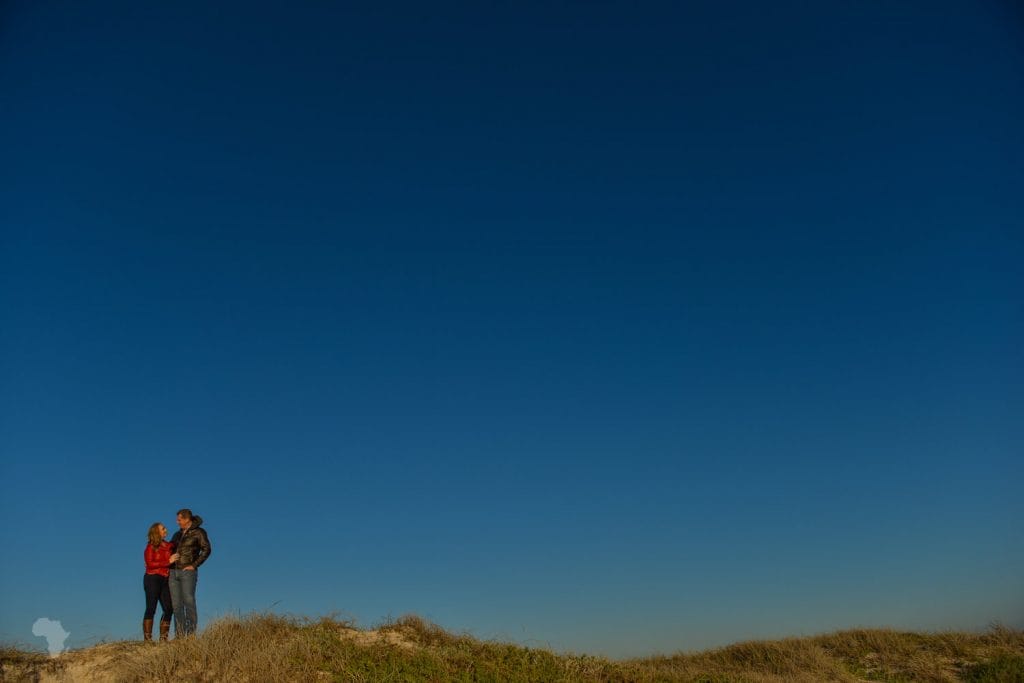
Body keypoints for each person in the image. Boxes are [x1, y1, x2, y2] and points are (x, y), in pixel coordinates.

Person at [168, 508, 211, 637]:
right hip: (173, 572)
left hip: (188, 572)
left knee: (189, 601)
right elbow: (168, 549)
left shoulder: (199, 532)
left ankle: (191, 634)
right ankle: (180, 636)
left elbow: (207, 549)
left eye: (179, 519)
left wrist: (194, 565)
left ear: (187, 519)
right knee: (176, 605)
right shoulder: (177, 534)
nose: (177, 522)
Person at [143, 523, 175, 642]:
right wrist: (168, 561)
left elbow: (178, 545)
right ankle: (148, 639)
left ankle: (163, 639)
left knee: (169, 608)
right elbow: (150, 564)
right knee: (151, 608)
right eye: (163, 529)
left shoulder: (168, 545)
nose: (166, 530)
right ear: (157, 532)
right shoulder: (150, 547)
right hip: (152, 578)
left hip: (165, 579)